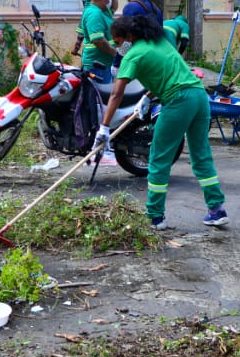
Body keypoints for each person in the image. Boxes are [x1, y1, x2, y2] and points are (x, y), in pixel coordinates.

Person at [98, 14, 228, 231]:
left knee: (158, 158)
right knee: (201, 155)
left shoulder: (133, 55)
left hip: (178, 101)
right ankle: (217, 210)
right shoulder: (158, 42)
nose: (118, 47)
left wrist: (104, 127)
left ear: (129, 37)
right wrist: (148, 97)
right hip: (199, 97)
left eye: (119, 42)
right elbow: (169, 72)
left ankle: (155, 216)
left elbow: (116, 94)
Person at [79, 0, 119, 82]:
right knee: (99, 96)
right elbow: (98, 40)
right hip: (97, 66)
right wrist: (117, 55)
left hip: (103, 64)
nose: (110, 1)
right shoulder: (94, 14)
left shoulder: (103, 11)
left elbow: (114, 7)